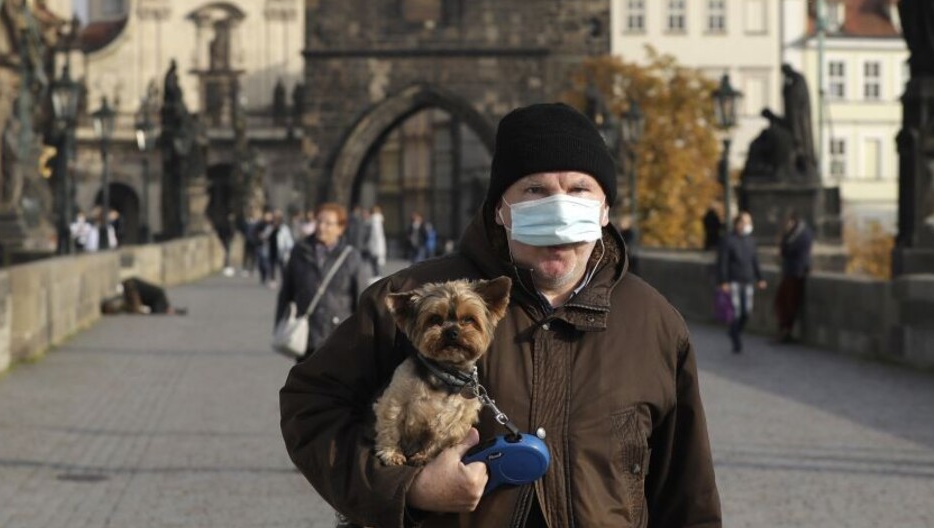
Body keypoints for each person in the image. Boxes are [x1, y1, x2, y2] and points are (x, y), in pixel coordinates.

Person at [280, 103, 720, 528]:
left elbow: (687, 494)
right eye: (535, 190)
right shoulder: (409, 301)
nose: (559, 207)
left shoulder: (654, 323)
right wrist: (407, 487)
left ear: (605, 209)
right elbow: (310, 406)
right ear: (499, 209)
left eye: (579, 188)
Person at [274, 203, 364, 362]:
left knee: (336, 385)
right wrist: (280, 324)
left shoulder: (351, 257)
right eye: (319, 222)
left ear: (340, 228)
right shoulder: (300, 252)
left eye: (328, 223)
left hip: (339, 336)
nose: (322, 227)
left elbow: (361, 300)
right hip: (307, 333)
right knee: (306, 384)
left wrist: (363, 337)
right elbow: (286, 292)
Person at [716, 211, 767, 354]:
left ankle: (734, 331)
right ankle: (736, 340)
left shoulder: (750, 241)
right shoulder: (728, 240)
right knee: (736, 311)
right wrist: (723, 281)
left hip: (748, 280)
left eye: (749, 222)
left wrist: (760, 278)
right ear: (737, 224)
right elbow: (723, 262)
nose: (747, 225)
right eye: (744, 222)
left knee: (747, 312)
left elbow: (754, 261)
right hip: (734, 281)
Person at [776, 211, 813, 343]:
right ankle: (784, 330)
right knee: (782, 302)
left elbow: (790, 251)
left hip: (796, 272)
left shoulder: (803, 234)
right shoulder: (791, 235)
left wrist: (784, 241)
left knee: (790, 303)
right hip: (789, 272)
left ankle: (787, 330)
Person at [366, 205, 387, 277]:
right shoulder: (378, 219)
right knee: (377, 260)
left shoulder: (374, 219)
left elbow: (375, 233)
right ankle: (377, 274)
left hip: (375, 243)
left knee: (374, 260)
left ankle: (376, 275)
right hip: (378, 243)